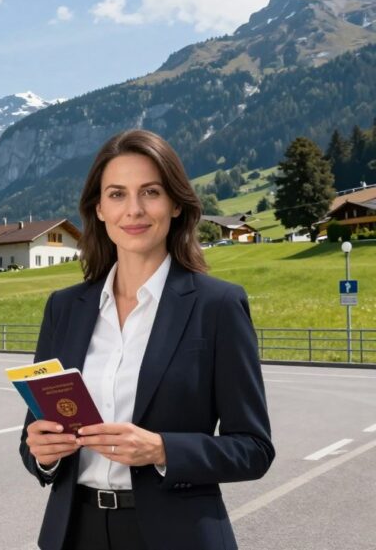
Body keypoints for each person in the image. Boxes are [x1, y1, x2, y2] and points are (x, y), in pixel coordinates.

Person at [19, 130, 274, 550]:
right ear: (98, 209)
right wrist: (43, 455)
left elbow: (254, 449)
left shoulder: (217, 305)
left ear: (175, 203)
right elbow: (34, 440)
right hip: (73, 533)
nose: (133, 210)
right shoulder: (63, 309)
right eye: (117, 195)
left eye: (150, 192)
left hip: (179, 536)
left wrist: (161, 450)